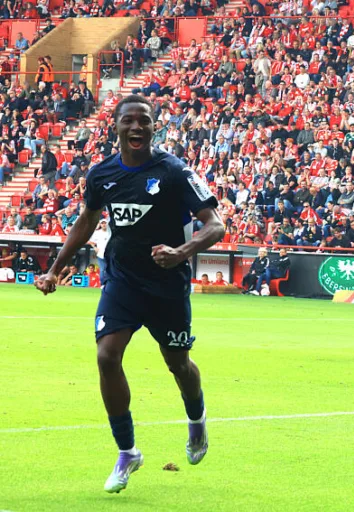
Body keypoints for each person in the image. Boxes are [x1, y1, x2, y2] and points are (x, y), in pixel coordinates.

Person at [34, 94, 224, 493]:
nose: (137, 126)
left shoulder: (174, 172)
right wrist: (53, 269)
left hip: (167, 285)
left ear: (154, 127)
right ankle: (127, 452)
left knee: (178, 365)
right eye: (129, 120)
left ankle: (196, 419)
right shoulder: (102, 174)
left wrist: (181, 252)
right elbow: (86, 223)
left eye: (145, 120)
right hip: (122, 280)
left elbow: (215, 224)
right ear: (116, 126)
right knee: (106, 355)